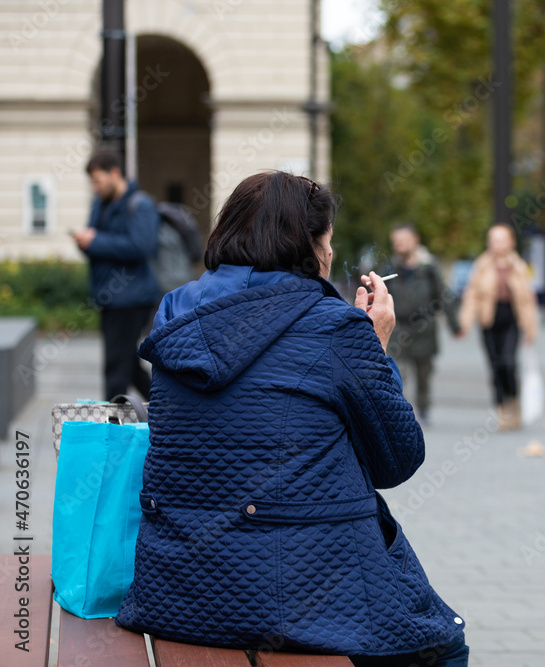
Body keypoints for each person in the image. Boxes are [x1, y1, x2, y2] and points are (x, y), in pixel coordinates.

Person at [115, 172, 469, 666]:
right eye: (327, 241)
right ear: (307, 245)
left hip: (179, 591)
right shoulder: (335, 330)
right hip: (303, 599)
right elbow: (398, 459)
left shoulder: (175, 315)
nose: (329, 254)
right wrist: (376, 346)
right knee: (445, 649)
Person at [73, 150, 160, 400]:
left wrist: (96, 241)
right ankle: (168, 409)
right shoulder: (99, 203)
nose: (95, 187)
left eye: (98, 181)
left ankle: (110, 427)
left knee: (115, 367)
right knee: (127, 365)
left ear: (115, 173)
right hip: (109, 297)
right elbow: (97, 244)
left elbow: (141, 247)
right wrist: (85, 243)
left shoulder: (141, 205)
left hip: (131, 298)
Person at [458, 223, 539, 431]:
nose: (497, 244)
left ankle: (514, 401)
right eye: (493, 240)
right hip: (489, 320)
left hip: (511, 319)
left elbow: (528, 299)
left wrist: (531, 328)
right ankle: (502, 408)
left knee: (509, 362)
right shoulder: (482, 265)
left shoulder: (519, 266)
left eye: (501, 239)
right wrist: (465, 322)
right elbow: (472, 295)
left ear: (511, 242)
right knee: (495, 366)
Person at [385, 222, 461, 425]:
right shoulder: (390, 269)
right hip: (398, 328)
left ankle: (424, 408)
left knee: (423, 374)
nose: (399, 246)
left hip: (424, 328)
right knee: (396, 372)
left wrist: (456, 326)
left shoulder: (429, 268)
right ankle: (399, 413)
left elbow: (444, 296)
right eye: (396, 242)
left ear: (415, 241)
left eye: (403, 241)